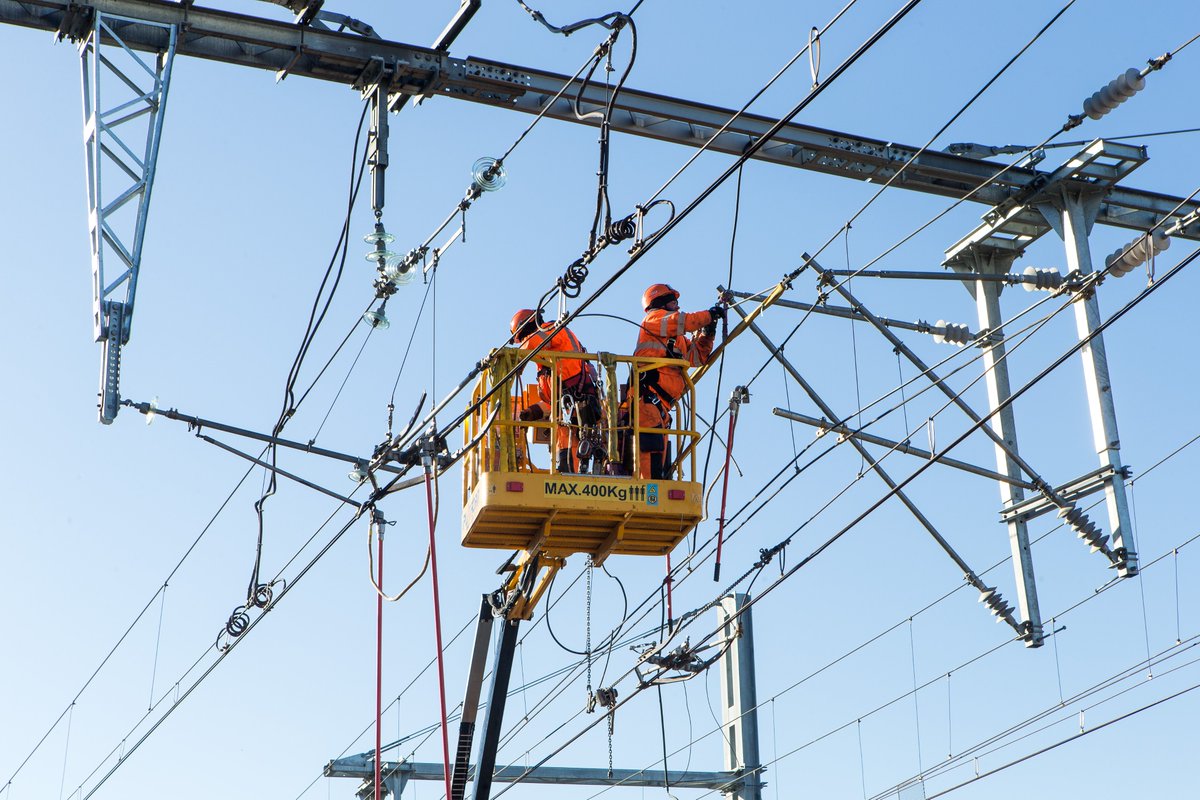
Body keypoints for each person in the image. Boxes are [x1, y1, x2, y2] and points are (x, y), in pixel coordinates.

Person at [631, 284, 724, 479]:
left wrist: (708, 332)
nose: (677, 305)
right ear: (660, 303)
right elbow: (685, 321)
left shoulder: (676, 337)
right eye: (673, 300)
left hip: (660, 406)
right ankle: (651, 494)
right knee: (651, 450)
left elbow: (697, 357)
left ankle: (656, 489)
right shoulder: (653, 320)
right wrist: (709, 315)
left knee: (659, 453)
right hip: (647, 400)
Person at [510, 308, 605, 473]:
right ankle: (567, 471)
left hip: (579, 404)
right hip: (567, 411)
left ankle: (570, 472)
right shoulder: (548, 361)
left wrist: (516, 359)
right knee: (567, 452)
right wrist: (532, 412)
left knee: (573, 451)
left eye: (522, 337)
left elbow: (533, 342)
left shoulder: (552, 330)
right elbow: (551, 401)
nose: (524, 340)